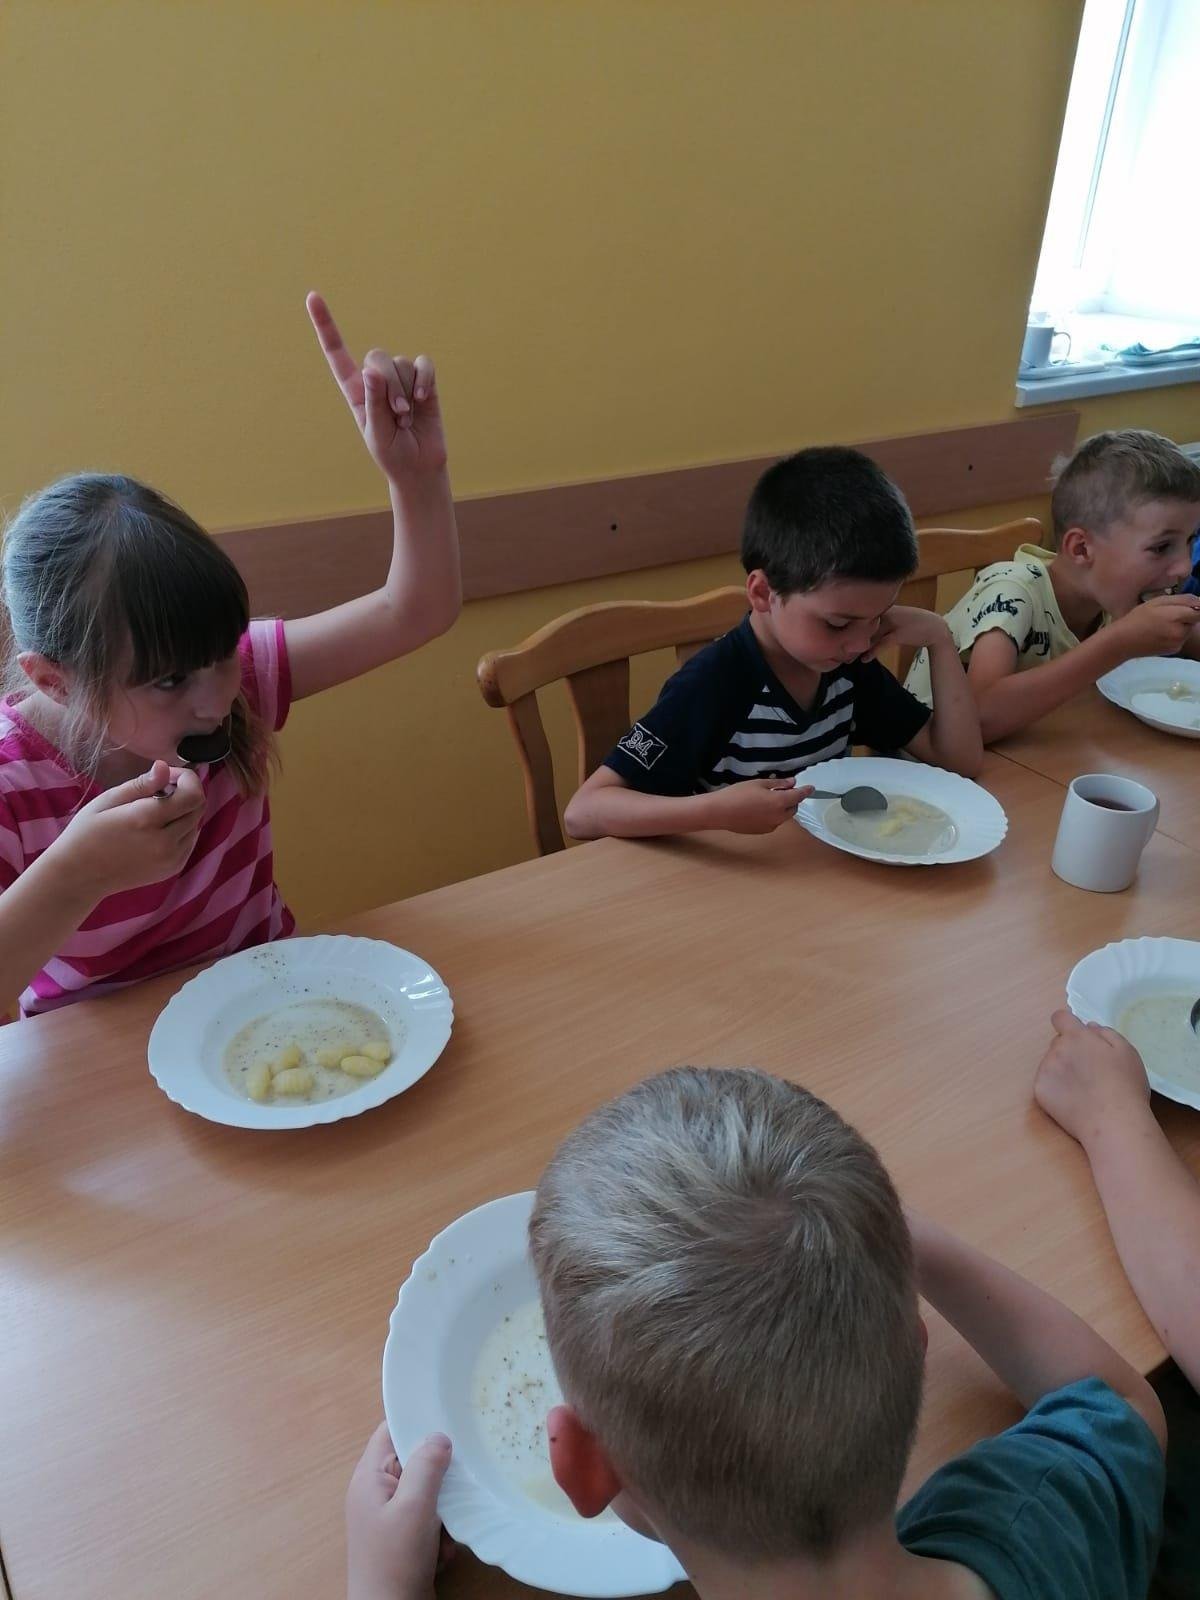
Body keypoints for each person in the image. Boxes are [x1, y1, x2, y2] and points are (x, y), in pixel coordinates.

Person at [356, 1066, 1166, 1599]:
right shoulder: (1040, 1527)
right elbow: (1121, 1404)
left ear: (582, 1468)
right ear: (914, 1358)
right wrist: (882, 1238)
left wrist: (383, 1588)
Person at [0, 294, 460, 1013]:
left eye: (220, 655)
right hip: (97, 1060)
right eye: (169, 681)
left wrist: (417, 477)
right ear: (55, 683)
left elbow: (417, 610)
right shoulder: (12, 784)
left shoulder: (242, 676)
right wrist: (77, 874)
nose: (218, 697)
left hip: (270, 1012)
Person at [565, 447, 981, 842]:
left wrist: (939, 639)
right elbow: (583, 812)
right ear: (763, 593)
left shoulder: (849, 668)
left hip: (813, 871)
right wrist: (714, 812)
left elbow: (960, 761)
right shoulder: (714, 683)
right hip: (726, 876)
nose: (860, 642)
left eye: (878, 615)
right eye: (837, 623)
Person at [906, 430, 1200, 742]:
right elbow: (979, 717)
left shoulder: (1112, 598)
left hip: (1030, 756)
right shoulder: (1012, 591)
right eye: (1161, 547)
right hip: (923, 762)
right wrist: (1119, 643)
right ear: (1081, 549)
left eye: (1191, 540)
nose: (1185, 566)